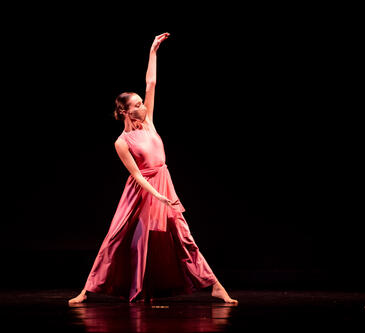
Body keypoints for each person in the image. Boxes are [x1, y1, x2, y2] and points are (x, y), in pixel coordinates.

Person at [68, 33, 238, 305]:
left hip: (163, 184)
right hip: (140, 193)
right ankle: (86, 291)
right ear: (125, 112)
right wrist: (156, 196)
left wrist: (153, 51)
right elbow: (136, 175)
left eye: (141, 102)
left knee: (182, 235)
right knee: (118, 237)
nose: (143, 106)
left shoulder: (149, 125)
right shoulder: (122, 142)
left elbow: (151, 82)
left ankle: (215, 285)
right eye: (136, 105)